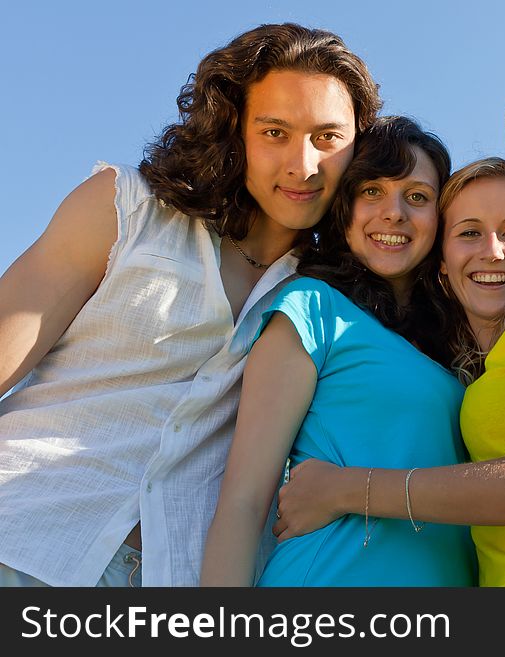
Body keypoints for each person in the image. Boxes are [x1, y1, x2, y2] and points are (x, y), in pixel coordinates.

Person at [0, 22, 381, 587]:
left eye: (327, 138)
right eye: (275, 132)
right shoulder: (125, 209)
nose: (304, 164)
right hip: (27, 536)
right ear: (234, 131)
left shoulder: (336, 303)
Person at [272, 157, 505, 587]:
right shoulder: (475, 372)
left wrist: (342, 490)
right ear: (441, 262)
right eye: (469, 233)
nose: (493, 251)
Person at [200, 116, 477, 587]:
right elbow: (244, 503)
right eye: (372, 191)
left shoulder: (461, 345)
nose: (394, 213)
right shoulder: (311, 307)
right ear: (343, 208)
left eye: (417, 197)